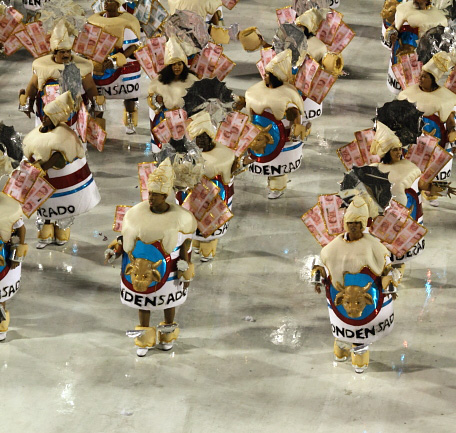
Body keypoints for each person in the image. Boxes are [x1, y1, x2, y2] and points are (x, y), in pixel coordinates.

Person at [105, 159, 197, 357]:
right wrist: (116, 249)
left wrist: (185, 268)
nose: (151, 198)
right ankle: (144, 338)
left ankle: (168, 334)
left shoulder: (181, 219)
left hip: (169, 270)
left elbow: (185, 246)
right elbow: (125, 237)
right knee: (142, 303)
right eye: (150, 193)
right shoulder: (134, 215)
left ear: (165, 195)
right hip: (139, 269)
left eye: (155, 194)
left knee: (168, 305)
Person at [312, 196, 397, 373]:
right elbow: (325, 266)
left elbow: (386, 269)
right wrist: (319, 273)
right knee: (342, 329)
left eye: (358, 223)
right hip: (340, 297)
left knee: (360, 334)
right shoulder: (333, 246)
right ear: (345, 223)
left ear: (364, 224)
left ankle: (359, 357)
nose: (354, 226)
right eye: (350, 222)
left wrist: (389, 282)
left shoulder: (374, 245)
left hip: (366, 301)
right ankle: (341, 348)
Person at [22, 92, 100, 249]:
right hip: (43, 181)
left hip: (63, 181)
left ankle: (61, 231)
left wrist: (44, 166)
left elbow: (60, 157)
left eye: (47, 117)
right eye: (44, 116)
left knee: (61, 206)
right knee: (45, 205)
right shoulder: (39, 132)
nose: (43, 118)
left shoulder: (65, 136)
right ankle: (45, 233)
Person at [370, 121, 456, 263]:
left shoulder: (411, 167)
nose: (399, 152)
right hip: (384, 224)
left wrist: (443, 189)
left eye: (399, 149)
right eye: (394, 150)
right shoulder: (373, 171)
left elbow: (422, 186)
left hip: (406, 222)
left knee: (400, 258)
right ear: (386, 152)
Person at [182, 111, 248, 261]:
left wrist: (244, 162)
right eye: (199, 138)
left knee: (210, 232)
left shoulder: (225, 155)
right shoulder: (186, 156)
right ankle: (197, 244)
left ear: (211, 137)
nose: (202, 141)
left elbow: (233, 170)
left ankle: (208, 250)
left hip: (215, 203)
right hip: (192, 203)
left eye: (205, 137)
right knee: (194, 229)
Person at [397, 51, 456, 206]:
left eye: (425, 76)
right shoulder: (409, 94)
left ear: (433, 80)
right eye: (421, 75)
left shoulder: (446, 99)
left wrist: (453, 136)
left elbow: (450, 122)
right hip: (413, 142)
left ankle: (431, 193)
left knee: (431, 169)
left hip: (436, 144)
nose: (420, 78)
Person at [244, 49, 309, 199]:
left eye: (268, 74)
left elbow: (294, 115)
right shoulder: (256, 90)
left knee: (278, 166)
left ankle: (277, 186)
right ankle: (273, 184)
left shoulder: (288, 93)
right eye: (265, 74)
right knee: (268, 162)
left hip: (282, 136)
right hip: (261, 135)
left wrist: (297, 126)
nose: (265, 76)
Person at [19, 20, 98, 128]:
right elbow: (32, 87)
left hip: (74, 122)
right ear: (54, 53)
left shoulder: (83, 70)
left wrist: (97, 106)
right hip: (45, 119)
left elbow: (91, 91)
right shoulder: (41, 69)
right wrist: (26, 103)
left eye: (68, 51)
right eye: (62, 52)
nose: (66, 55)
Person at [88, 0, 142, 134]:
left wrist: (117, 60)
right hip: (99, 65)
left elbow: (134, 46)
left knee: (129, 94)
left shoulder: (127, 22)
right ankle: (97, 122)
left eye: (111, 1)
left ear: (118, 5)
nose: (107, 3)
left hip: (122, 64)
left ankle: (130, 117)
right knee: (97, 94)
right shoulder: (94, 21)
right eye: (105, 1)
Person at [384, 0, 447, 94]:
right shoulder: (404, 10)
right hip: (401, 59)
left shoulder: (438, 18)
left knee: (420, 95)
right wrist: (390, 34)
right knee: (401, 94)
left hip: (423, 63)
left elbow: (442, 43)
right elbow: (392, 27)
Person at [147, 38, 198, 153]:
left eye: (179, 64)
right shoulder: (159, 81)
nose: (176, 67)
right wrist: (157, 100)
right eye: (173, 64)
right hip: (166, 121)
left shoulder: (193, 80)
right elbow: (151, 101)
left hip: (187, 121)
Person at [295, 7, 345, 122]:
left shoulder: (319, 46)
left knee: (305, 117)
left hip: (310, 84)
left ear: (307, 28)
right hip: (293, 81)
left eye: (300, 27)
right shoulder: (289, 40)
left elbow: (326, 66)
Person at [0, 193, 28, 342]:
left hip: (2, 256)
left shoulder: (9, 208)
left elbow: (20, 229)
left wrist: (18, 250)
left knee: (0, 296)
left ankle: (1, 324)